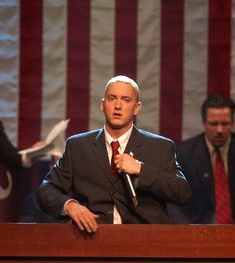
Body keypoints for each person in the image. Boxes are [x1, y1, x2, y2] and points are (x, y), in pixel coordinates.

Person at [36, 75, 191, 233]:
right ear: (103, 105)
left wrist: (140, 169)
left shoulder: (160, 146)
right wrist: (70, 205)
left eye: (125, 100)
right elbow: (46, 190)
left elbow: (182, 192)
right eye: (112, 99)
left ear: (137, 107)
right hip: (92, 240)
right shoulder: (78, 146)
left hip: (145, 242)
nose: (118, 106)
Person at [168, 94, 235, 224]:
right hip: (197, 232)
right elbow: (172, 203)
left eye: (225, 124)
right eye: (214, 124)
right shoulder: (184, 154)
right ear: (204, 123)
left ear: (232, 123)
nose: (220, 130)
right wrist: (190, 232)